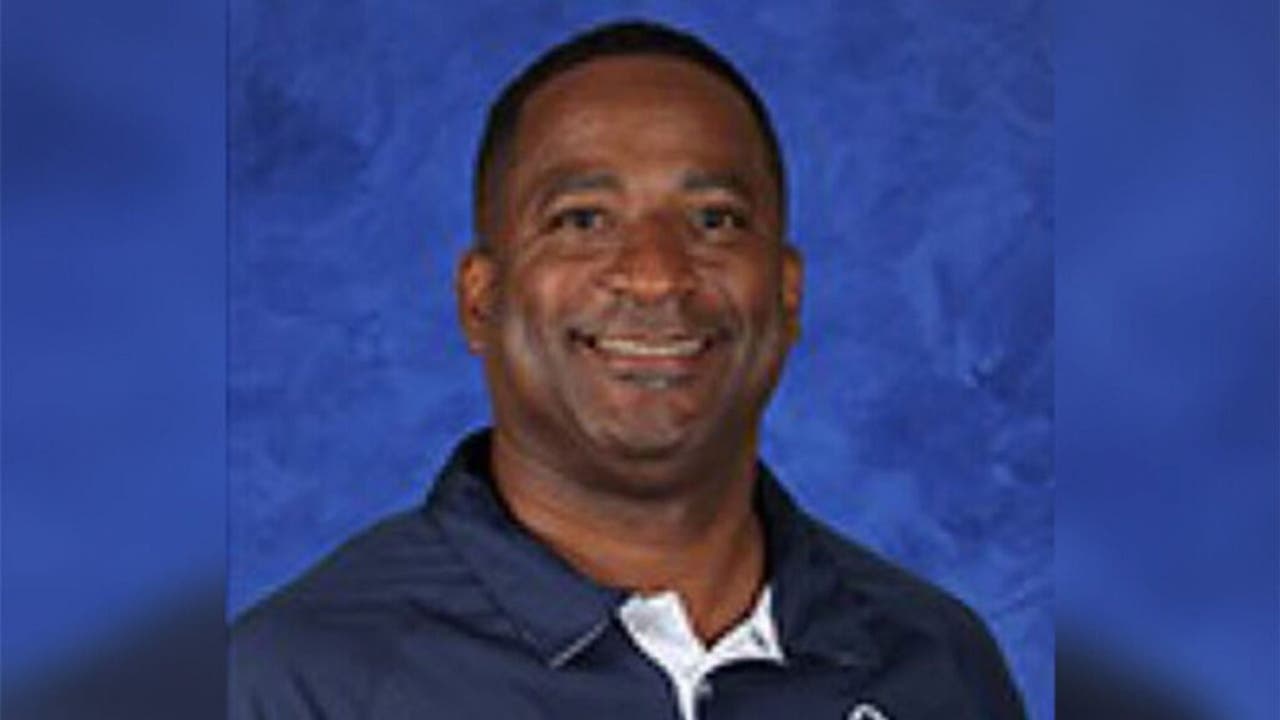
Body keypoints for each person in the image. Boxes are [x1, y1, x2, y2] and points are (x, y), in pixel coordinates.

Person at [230, 20, 1027, 720]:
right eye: (583, 220)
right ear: (480, 300)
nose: (655, 276)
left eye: (714, 220)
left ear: (787, 294)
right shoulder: (299, 684)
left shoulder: (937, 665)